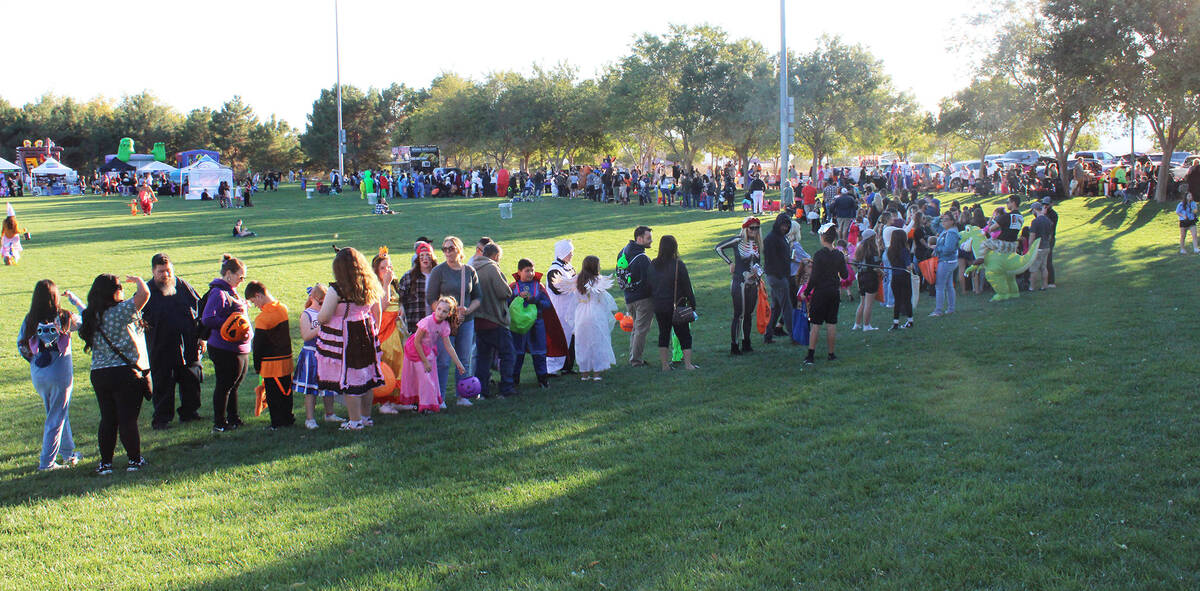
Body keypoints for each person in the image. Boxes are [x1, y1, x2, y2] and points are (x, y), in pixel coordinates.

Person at [78, 273, 151, 475]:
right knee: (128, 419)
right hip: (124, 373)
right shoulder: (121, 311)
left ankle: (105, 464)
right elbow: (144, 295)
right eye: (119, 287)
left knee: (108, 419)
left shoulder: (90, 315)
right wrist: (138, 281)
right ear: (113, 291)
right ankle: (134, 461)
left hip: (99, 374)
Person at [18, 280, 85, 470]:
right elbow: (86, 319)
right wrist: (75, 300)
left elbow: (20, 345)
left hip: (39, 373)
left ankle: (68, 453)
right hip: (60, 374)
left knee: (57, 412)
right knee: (56, 417)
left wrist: (34, 361)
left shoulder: (30, 319)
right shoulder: (64, 317)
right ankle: (47, 463)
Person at [317, 248, 385, 430]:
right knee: (367, 376)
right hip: (366, 330)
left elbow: (324, 316)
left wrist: (314, 320)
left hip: (345, 335)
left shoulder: (337, 289)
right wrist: (374, 329)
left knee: (350, 379)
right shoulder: (370, 284)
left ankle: (354, 422)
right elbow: (377, 310)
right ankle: (365, 417)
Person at [142, 253, 203, 430]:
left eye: (169, 271)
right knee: (163, 384)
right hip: (161, 347)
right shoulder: (146, 292)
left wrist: (201, 337)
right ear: (153, 271)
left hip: (188, 344)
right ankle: (161, 418)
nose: (166, 275)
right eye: (161, 272)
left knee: (191, 380)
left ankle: (190, 413)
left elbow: (199, 310)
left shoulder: (183, 286)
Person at [426, 236, 480, 406]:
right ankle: (440, 397)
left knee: (464, 359)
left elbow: (478, 297)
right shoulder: (439, 271)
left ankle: (462, 396)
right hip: (445, 324)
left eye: (451, 248)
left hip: (467, 320)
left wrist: (468, 310)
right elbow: (431, 298)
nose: (448, 252)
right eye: (445, 249)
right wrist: (444, 315)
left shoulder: (469, 271)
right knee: (443, 360)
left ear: (459, 250)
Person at [203, 255, 252, 432]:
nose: (242, 280)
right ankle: (220, 422)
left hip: (239, 348)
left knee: (234, 384)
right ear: (229, 274)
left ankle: (234, 418)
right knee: (225, 384)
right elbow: (208, 318)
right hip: (224, 348)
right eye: (241, 276)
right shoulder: (219, 292)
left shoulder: (231, 291)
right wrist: (229, 325)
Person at [400, 296, 466, 413]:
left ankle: (423, 404)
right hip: (416, 351)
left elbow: (449, 347)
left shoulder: (445, 326)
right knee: (425, 380)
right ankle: (425, 406)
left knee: (429, 379)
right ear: (435, 308)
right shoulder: (427, 321)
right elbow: (417, 342)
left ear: (449, 314)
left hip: (428, 350)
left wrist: (459, 364)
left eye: (444, 311)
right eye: (439, 309)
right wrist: (424, 361)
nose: (440, 313)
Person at [293, 284, 344, 429]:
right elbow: (306, 335)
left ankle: (330, 414)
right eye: (322, 301)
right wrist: (321, 327)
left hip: (326, 353)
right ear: (315, 298)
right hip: (311, 354)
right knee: (311, 389)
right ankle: (310, 418)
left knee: (329, 386)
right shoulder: (307, 314)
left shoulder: (328, 313)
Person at [470, 242, 517, 398]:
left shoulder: (472, 267)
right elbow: (504, 292)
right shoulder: (492, 268)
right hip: (495, 319)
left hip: (478, 319)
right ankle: (506, 388)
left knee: (483, 358)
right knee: (508, 354)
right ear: (496, 256)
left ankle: (481, 391)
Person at [559, 255, 617, 381]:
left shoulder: (577, 280)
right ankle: (596, 373)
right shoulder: (598, 281)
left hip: (581, 313)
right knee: (597, 342)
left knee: (582, 343)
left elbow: (574, 298)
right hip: (596, 312)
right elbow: (603, 299)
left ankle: (584, 373)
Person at [245, 281, 294, 429]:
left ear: (258, 296)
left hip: (270, 364)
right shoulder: (283, 308)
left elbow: (258, 345)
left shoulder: (263, 318)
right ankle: (288, 418)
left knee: (273, 394)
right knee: (286, 391)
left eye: (254, 302)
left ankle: (277, 423)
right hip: (286, 360)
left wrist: (257, 364)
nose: (256, 306)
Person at [509, 258, 562, 388]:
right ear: (519, 272)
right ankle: (513, 380)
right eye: (527, 271)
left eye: (532, 270)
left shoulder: (539, 286)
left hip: (536, 324)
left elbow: (548, 304)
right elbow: (506, 304)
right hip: (518, 326)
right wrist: (517, 299)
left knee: (539, 352)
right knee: (517, 352)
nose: (531, 273)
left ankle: (542, 379)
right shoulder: (513, 287)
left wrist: (535, 301)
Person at [715, 217, 763, 355]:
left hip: (752, 283)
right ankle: (734, 345)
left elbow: (758, 262)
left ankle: (746, 343)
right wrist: (730, 263)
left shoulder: (757, 243)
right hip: (739, 282)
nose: (754, 230)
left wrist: (758, 273)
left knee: (748, 314)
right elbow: (718, 248)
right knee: (739, 314)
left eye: (757, 228)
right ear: (745, 228)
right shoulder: (738, 240)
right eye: (752, 228)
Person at [649, 235, 698, 371]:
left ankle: (665, 365)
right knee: (684, 335)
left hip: (659, 306)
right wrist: (693, 305)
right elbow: (687, 287)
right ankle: (688, 365)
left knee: (663, 334)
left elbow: (650, 284)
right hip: (677, 305)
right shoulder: (678, 265)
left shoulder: (653, 264)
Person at [803, 224, 848, 364]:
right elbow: (845, 275)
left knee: (815, 325)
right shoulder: (839, 254)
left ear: (822, 237)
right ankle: (831, 354)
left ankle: (810, 355)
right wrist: (843, 262)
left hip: (821, 293)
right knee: (831, 323)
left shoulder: (819, 255)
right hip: (834, 292)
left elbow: (814, 277)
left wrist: (806, 291)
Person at [615, 226, 654, 367]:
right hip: (643, 299)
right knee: (641, 330)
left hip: (629, 298)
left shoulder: (623, 252)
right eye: (648, 238)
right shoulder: (643, 258)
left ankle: (633, 356)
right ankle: (636, 361)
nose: (651, 241)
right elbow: (649, 281)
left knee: (636, 329)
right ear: (639, 238)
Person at [545, 239, 577, 375]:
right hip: (559, 311)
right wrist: (576, 282)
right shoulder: (554, 270)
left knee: (571, 339)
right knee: (558, 339)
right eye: (569, 252)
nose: (571, 255)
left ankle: (567, 366)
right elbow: (558, 288)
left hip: (569, 311)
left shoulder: (568, 267)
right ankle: (551, 369)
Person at [761, 213, 793, 344]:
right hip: (777, 276)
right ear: (778, 224)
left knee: (777, 308)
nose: (785, 228)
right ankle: (794, 336)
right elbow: (771, 259)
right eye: (783, 225)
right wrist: (781, 274)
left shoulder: (781, 237)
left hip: (779, 275)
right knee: (787, 307)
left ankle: (768, 335)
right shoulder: (771, 239)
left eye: (787, 226)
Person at [930, 215, 960, 316]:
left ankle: (938, 311)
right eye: (943, 220)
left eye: (946, 220)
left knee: (940, 286)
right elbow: (934, 225)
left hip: (946, 261)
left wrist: (937, 249)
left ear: (952, 221)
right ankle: (951, 308)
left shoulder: (951, 233)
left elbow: (948, 249)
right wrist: (939, 217)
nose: (943, 222)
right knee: (949, 286)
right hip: (950, 261)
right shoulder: (947, 230)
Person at [851, 229, 880, 331]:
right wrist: (882, 272)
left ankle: (857, 324)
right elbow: (875, 267)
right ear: (872, 238)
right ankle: (866, 326)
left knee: (862, 302)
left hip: (861, 277)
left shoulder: (859, 248)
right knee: (868, 303)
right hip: (871, 277)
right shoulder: (873, 250)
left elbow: (855, 263)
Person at [887, 232, 915, 330]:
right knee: (907, 299)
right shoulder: (904, 250)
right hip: (905, 277)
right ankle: (910, 321)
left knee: (897, 300)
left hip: (895, 277)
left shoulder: (889, 250)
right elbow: (908, 266)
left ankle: (895, 323)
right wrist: (912, 265)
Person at [1026, 203, 1053, 291]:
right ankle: (1045, 285)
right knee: (1044, 267)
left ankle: (1032, 287)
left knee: (1033, 269)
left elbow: (1032, 236)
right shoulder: (1048, 220)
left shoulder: (1035, 221)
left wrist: (1029, 249)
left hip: (1038, 248)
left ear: (1034, 210)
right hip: (1046, 247)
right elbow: (1050, 236)